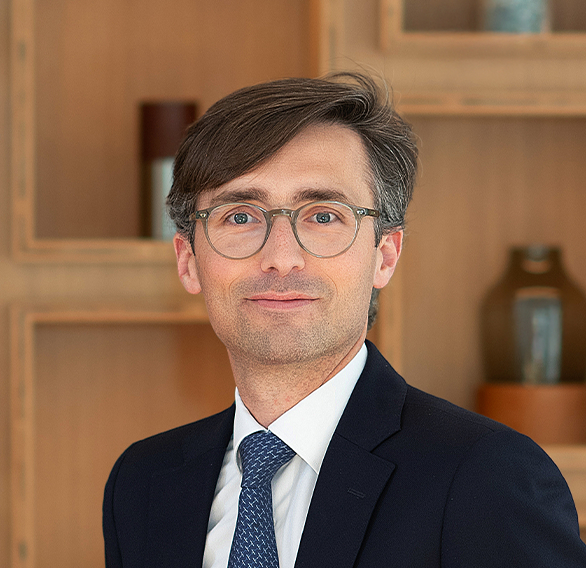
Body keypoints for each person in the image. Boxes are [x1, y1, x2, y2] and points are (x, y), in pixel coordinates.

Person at [103, 73, 586, 568]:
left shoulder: (486, 476)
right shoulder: (142, 484)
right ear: (187, 260)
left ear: (385, 255)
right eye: (241, 216)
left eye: (323, 215)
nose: (281, 258)